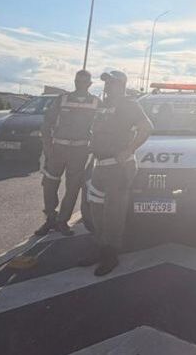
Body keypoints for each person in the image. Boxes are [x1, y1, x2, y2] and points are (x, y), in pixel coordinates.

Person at [78, 70, 152, 276]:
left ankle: (110, 254)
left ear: (121, 85)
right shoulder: (104, 105)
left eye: (111, 83)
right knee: (96, 210)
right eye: (106, 83)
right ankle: (100, 248)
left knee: (114, 213)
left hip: (118, 167)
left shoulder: (129, 105)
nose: (107, 86)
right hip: (99, 165)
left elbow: (146, 127)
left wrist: (129, 149)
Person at [35, 70, 100, 237]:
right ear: (74, 82)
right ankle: (50, 218)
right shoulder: (62, 99)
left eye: (84, 82)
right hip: (58, 149)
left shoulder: (96, 102)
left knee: (73, 188)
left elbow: (102, 127)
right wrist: (47, 147)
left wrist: (94, 147)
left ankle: (62, 221)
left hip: (79, 151)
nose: (80, 85)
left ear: (90, 84)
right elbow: (47, 123)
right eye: (78, 81)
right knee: (49, 184)